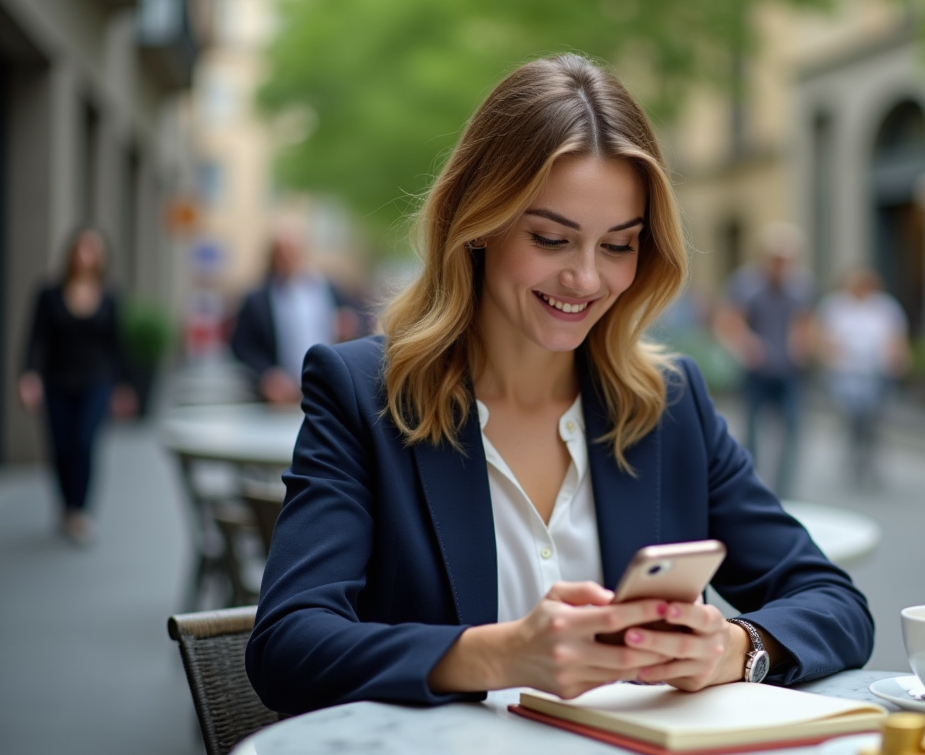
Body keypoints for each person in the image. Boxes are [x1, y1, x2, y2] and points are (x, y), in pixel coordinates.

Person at [246, 54, 873, 715]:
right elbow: (287, 647)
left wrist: (736, 648)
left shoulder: (669, 404)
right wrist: (503, 653)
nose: (586, 279)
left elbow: (836, 604)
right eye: (551, 238)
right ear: (479, 224)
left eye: (618, 245)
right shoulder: (363, 395)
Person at [18, 227, 137, 544]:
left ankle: (79, 511)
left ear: (100, 257)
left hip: (96, 382)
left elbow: (116, 345)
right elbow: (35, 338)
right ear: (72, 253)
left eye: (92, 249)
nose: (86, 255)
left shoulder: (109, 297)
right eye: (81, 249)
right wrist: (29, 375)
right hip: (57, 380)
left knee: (84, 443)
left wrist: (124, 386)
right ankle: (66, 503)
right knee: (61, 447)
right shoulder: (49, 293)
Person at [714, 222, 812, 495]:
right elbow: (730, 320)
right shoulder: (746, 283)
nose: (781, 264)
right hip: (756, 370)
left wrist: (803, 344)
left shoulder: (800, 284)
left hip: (789, 369)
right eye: (777, 258)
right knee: (753, 431)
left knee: (792, 429)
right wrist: (747, 344)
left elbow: (804, 320)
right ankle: (751, 487)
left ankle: (785, 492)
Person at [229, 231, 364, 404]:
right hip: (278, 399)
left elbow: (358, 322)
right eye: (280, 252)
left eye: (291, 251)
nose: (286, 257)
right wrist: (266, 375)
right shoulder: (257, 300)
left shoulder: (330, 290)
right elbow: (241, 345)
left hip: (329, 391)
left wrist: (351, 326)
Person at [815, 267, 909, 488]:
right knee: (854, 414)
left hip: (876, 373)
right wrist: (831, 359)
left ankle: (868, 458)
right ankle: (854, 453)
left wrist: (896, 359)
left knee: (873, 418)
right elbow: (824, 337)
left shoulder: (885, 307)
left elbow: (896, 338)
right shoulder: (835, 306)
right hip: (846, 374)